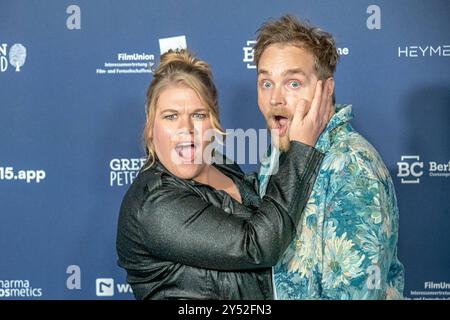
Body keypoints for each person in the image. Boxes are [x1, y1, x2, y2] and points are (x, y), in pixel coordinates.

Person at [116, 49, 331, 299]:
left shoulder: (220, 165)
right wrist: (302, 149)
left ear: (214, 121)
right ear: (151, 129)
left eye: (198, 115)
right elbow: (257, 245)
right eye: (170, 116)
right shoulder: (153, 205)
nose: (186, 129)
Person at [254, 15, 405, 299]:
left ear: (326, 89)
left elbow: (357, 294)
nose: (275, 99)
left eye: (293, 83)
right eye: (266, 83)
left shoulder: (351, 165)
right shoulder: (279, 153)